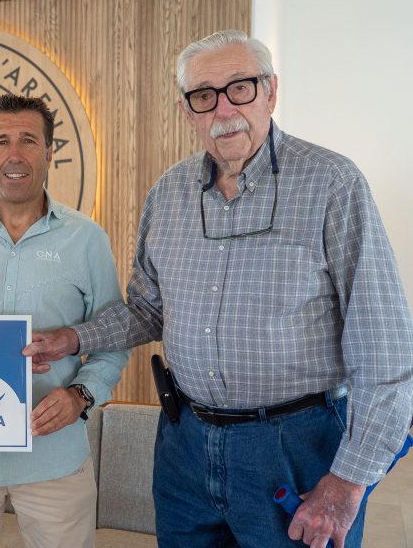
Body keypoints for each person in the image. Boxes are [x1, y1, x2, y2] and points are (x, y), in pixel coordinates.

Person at [23, 30, 413, 548]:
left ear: (271, 91)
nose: (224, 109)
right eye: (204, 95)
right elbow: (148, 309)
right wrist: (73, 339)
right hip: (184, 444)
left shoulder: (333, 183)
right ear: (188, 111)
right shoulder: (168, 194)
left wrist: (349, 482)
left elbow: (385, 348)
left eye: (240, 88)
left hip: (295, 448)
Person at [0, 94, 131, 548]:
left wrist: (80, 395)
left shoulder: (87, 239)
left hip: (53, 459)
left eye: (29, 141)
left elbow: (115, 339)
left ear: (50, 152)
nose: (14, 155)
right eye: (2, 142)